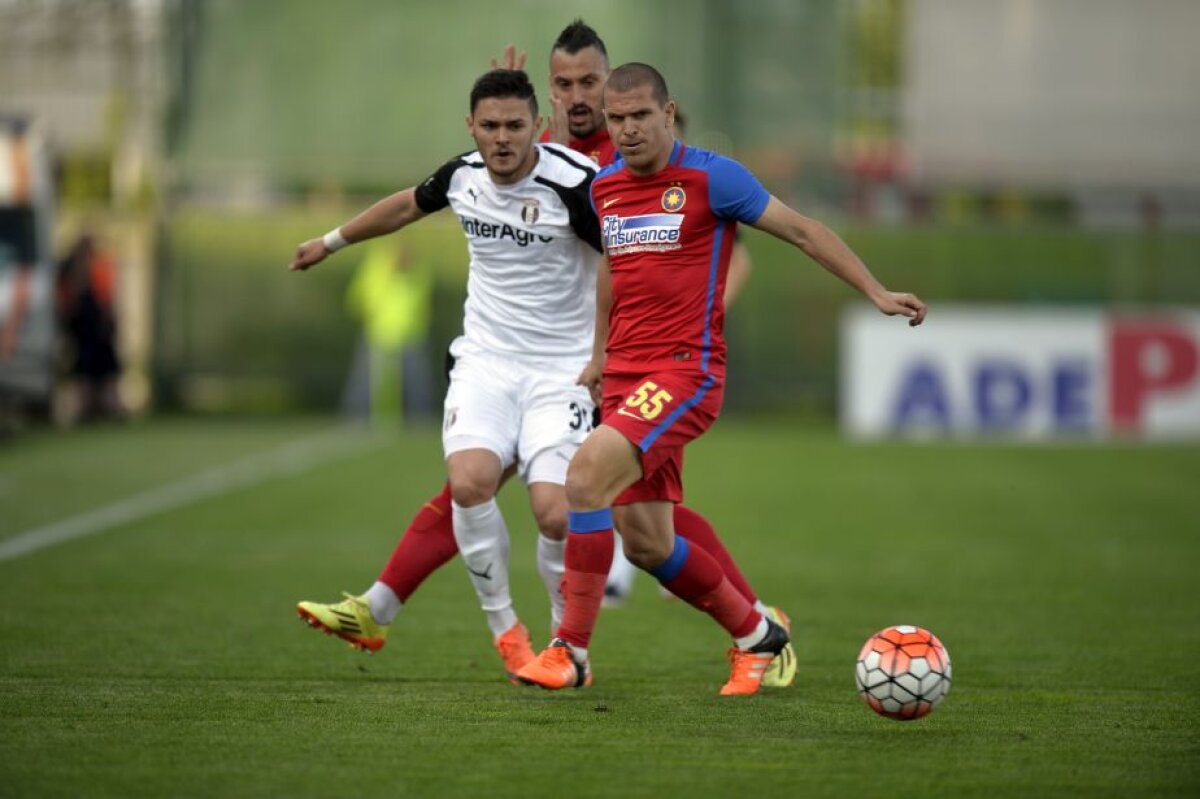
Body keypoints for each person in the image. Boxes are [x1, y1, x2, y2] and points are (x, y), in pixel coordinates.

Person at [296, 23, 794, 692]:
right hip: (537, 360)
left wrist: (668, 333)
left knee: (624, 511)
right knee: (505, 488)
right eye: (563, 84)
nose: (580, 95)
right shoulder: (538, 148)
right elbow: (445, 192)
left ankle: (736, 623)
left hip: (616, 365)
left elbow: (681, 241)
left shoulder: (611, 159)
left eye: (590, 82)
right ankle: (392, 608)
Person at [516, 63, 926, 696]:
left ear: (668, 114)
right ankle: (756, 633)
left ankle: (570, 651)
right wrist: (598, 354)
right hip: (624, 376)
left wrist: (874, 290)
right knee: (648, 542)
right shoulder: (606, 187)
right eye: (616, 119)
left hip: (685, 369)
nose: (625, 130)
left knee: (584, 477)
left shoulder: (714, 177)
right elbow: (611, 272)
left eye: (638, 117)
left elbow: (803, 232)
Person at [293, 69, 603, 682]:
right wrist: (331, 241)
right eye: (489, 126)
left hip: (562, 372)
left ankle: (565, 644)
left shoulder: (576, 185)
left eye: (515, 125)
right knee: (468, 481)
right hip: (486, 360)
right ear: (471, 127)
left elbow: (625, 261)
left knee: (555, 513)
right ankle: (508, 633)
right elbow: (407, 205)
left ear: (537, 125)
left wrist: (606, 353)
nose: (502, 139)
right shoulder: (462, 176)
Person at [340, 238, 435, 427]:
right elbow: (358, 299)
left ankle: (421, 420)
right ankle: (357, 418)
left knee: (416, 381)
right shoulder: (375, 270)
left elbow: (420, 302)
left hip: (410, 334)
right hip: (378, 333)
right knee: (367, 381)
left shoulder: (419, 272)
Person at [56, 232, 124, 423]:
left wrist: (108, 323)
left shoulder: (99, 267)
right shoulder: (68, 270)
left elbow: (108, 301)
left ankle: (105, 409)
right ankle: (87, 410)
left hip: (98, 332)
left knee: (105, 372)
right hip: (82, 332)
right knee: (84, 372)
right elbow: (67, 304)